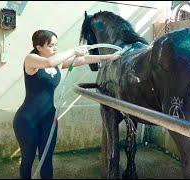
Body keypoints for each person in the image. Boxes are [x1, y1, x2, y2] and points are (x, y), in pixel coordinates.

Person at [13, 29, 120, 179]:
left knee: (46, 159)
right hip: (27, 120)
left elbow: (83, 60)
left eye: (56, 45)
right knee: (28, 159)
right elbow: (50, 62)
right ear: (39, 47)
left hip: (49, 118)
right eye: (51, 45)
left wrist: (110, 57)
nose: (55, 48)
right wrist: (74, 50)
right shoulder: (31, 59)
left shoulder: (58, 62)